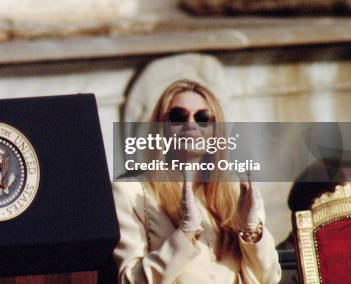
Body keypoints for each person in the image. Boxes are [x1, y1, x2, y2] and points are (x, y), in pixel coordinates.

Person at [113, 79, 281, 283]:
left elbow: (269, 278)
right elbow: (129, 280)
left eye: (203, 118)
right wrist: (184, 235)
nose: (191, 124)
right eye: (178, 116)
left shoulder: (236, 191)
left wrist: (252, 231)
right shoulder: (129, 192)